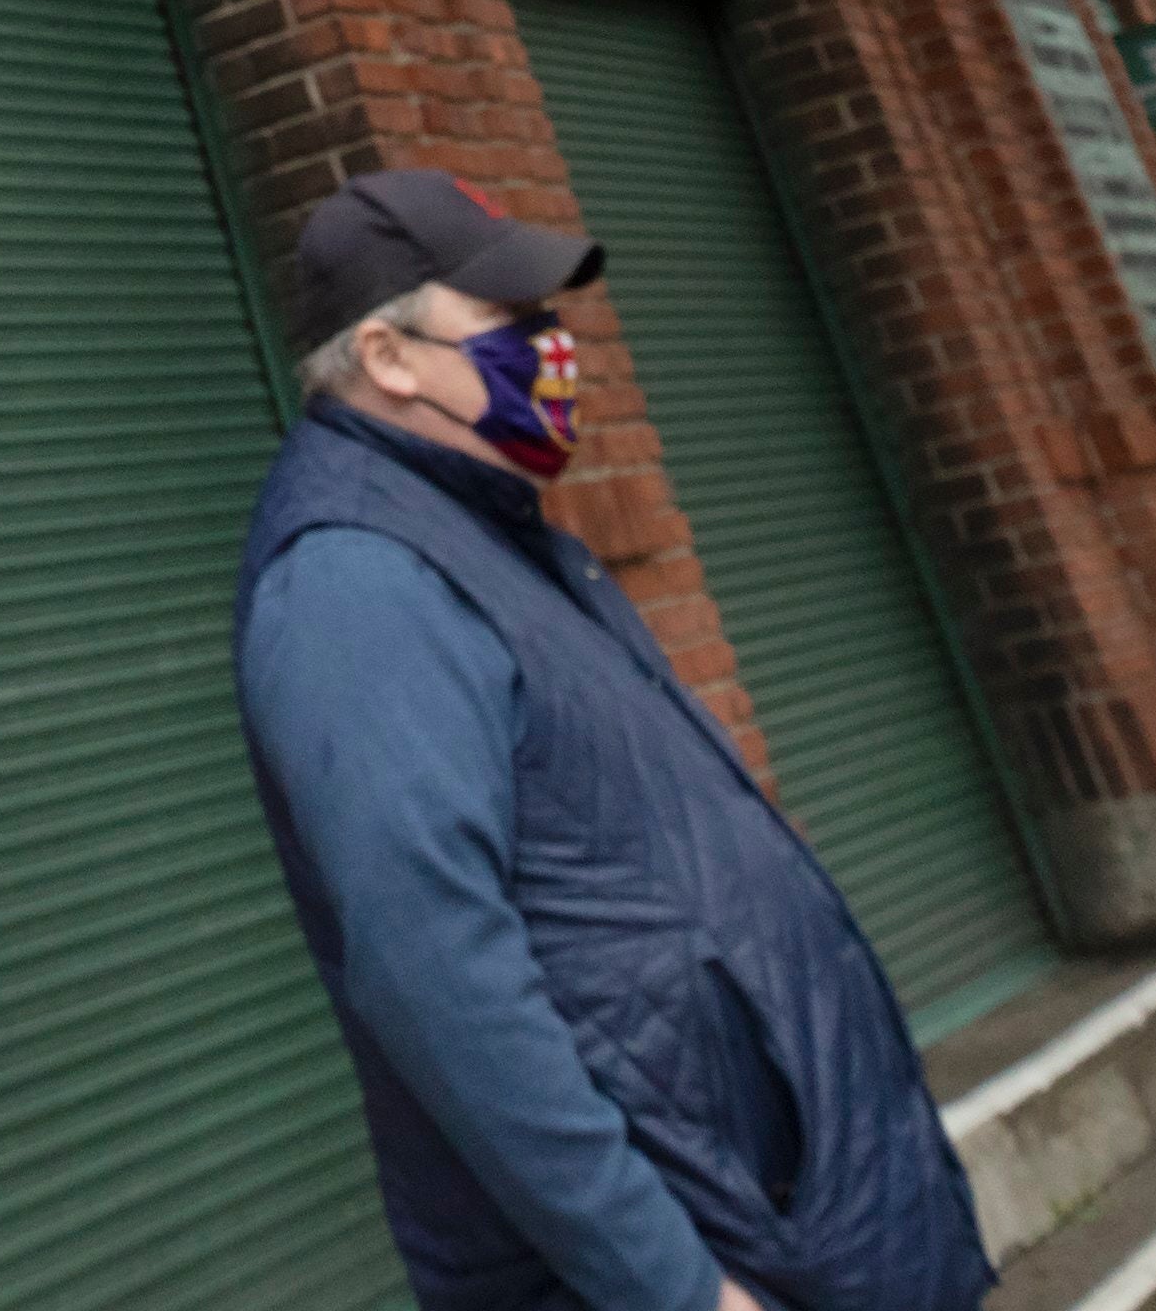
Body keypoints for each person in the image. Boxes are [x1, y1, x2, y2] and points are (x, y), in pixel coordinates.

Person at [233, 167, 986, 1311]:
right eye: (512, 321)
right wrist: (675, 1286)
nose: (553, 345)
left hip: (796, 1224)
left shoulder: (499, 538)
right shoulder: (356, 581)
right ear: (387, 358)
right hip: (711, 1257)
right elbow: (439, 976)